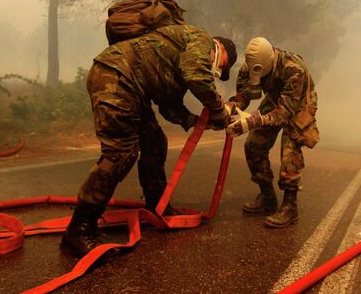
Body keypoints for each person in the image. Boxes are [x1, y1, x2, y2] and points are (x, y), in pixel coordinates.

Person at [60, 24, 237, 257]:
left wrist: (199, 121)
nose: (217, 69)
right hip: (116, 77)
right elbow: (197, 76)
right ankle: (78, 232)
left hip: (129, 84)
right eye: (222, 65)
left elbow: (169, 107)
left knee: (155, 142)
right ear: (220, 47)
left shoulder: (180, 54)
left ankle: (157, 207)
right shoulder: (201, 39)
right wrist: (219, 110)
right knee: (121, 153)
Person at [227, 37, 319, 228]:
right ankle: (268, 197)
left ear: (269, 62)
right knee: (253, 144)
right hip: (274, 98)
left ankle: (290, 206)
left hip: (298, 101)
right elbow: (243, 96)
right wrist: (230, 107)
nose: (255, 73)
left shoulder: (294, 69)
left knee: (290, 147)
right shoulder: (249, 67)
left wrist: (253, 121)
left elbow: (285, 113)